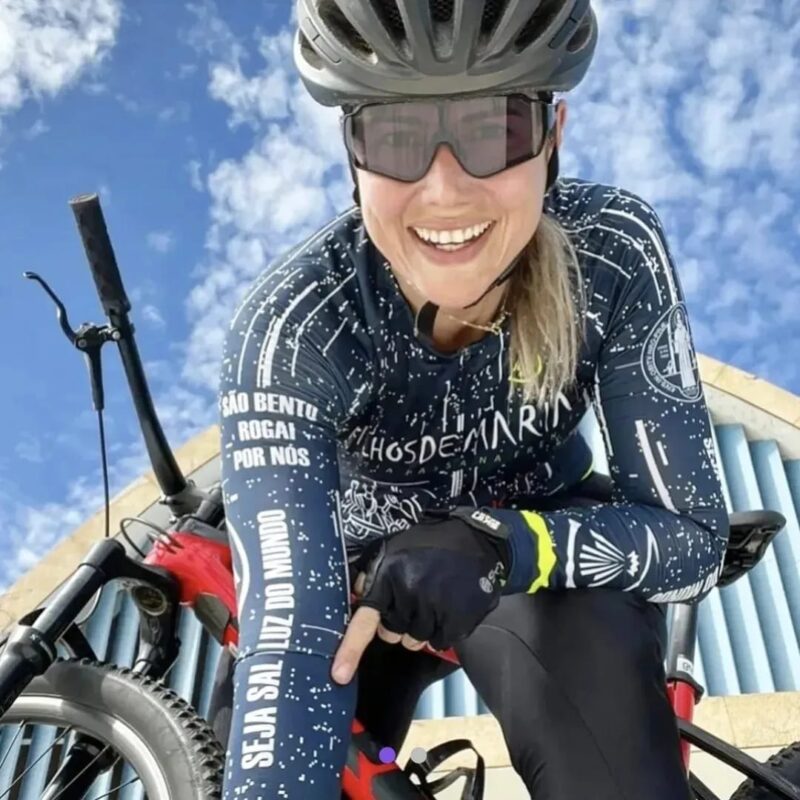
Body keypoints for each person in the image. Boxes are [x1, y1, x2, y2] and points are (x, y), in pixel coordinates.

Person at [215, 1, 730, 797]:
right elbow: (288, 632)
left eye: (496, 131)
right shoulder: (296, 325)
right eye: (395, 136)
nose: (446, 191)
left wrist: (501, 544)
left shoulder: (612, 250)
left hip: (536, 555)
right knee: (251, 735)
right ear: (351, 154)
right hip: (363, 593)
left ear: (553, 137)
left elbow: (693, 537)